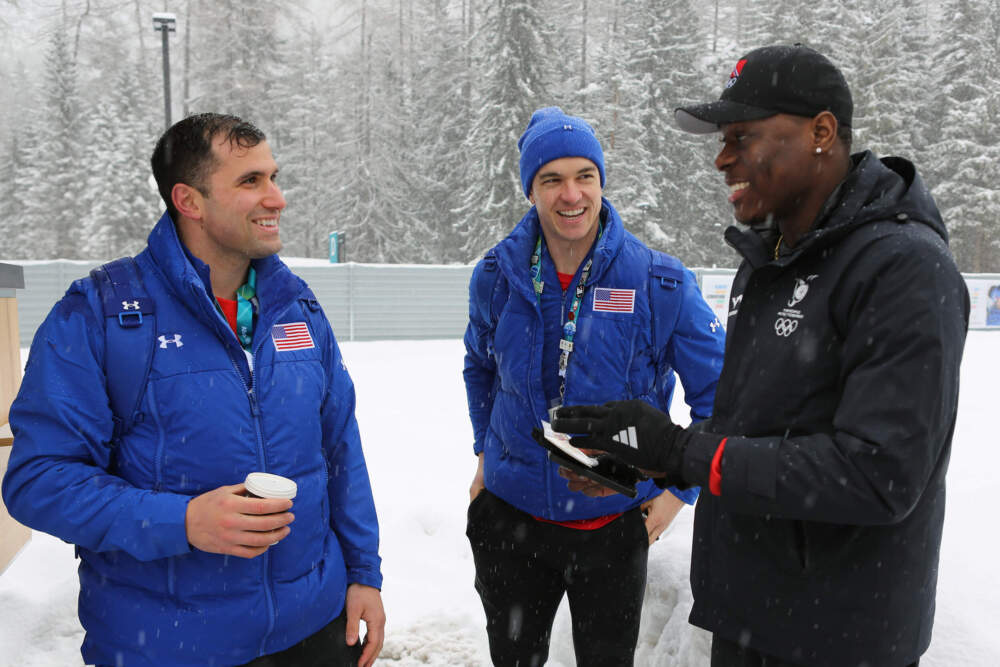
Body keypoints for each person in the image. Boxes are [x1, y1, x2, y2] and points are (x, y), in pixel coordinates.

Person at [553, 45, 970, 667]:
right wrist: (642, 460)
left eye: (743, 137)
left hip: (841, 639)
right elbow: (753, 429)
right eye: (722, 140)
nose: (723, 160)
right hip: (750, 617)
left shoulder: (904, 269)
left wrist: (679, 450)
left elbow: (878, 475)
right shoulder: (768, 262)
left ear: (821, 132)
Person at [2, 113, 385, 667]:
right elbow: (40, 480)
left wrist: (363, 576)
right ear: (189, 201)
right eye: (250, 181)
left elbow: (340, 451)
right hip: (167, 645)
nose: (276, 198)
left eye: (274, 177)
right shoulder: (100, 315)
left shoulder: (296, 307)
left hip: (315, 631)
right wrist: (183, 522)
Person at [463, 106, 726, 666]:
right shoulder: (495, 277)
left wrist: (680, 492)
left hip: (612, 526)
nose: (571, 194)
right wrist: (486, 452)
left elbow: (721, 400)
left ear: (602, 182)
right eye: (551, 179)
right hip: (510, 521)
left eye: (585, 175)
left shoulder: (660, 282)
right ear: (530, 191)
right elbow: (478, 366)